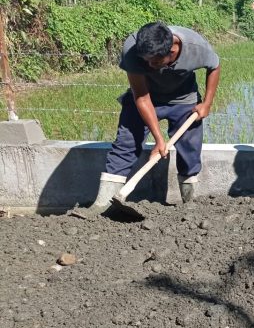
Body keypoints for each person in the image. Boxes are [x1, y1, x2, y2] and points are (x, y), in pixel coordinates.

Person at [89, 21, 220, 211]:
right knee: (126, 143)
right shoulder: (132, 48)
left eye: (156, 62)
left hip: (184, 99)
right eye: (146, 61)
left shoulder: (196, 46)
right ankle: (103, 204)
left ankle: (190, 202)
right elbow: (142, 97)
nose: (150, 66)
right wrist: (159, 140)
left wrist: (206, 103)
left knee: (190, 148)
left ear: (172, 51)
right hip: (145, 96)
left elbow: (214, 66)